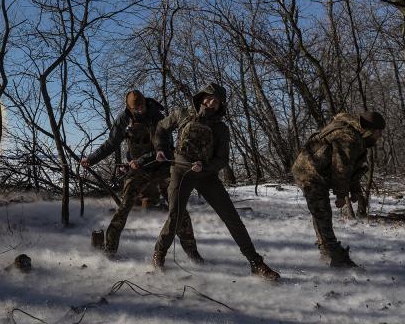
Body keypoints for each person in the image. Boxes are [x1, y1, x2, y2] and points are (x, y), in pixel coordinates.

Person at [152, 83, 280, 281]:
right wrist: (160, 148)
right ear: (202, 96)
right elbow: (160, 127)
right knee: (175, 216)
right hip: (180, 170)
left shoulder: (221, 128)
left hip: (206, 175)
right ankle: (159, 255)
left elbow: (222, 159)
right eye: (210, 97)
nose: (213, 103)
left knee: (231, 217)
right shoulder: (183, 114)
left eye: (217, 101)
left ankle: (256, 263)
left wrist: (205, 168)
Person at [81, 90, 201, 260]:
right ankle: (110, 250)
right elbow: (111, 143)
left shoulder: (157, 117)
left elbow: (163, 148)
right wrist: (91, 159)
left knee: (178, 208)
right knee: (123, 207)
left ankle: (192, 252)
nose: (140, 110)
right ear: (130, 108)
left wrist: (142, 160)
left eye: (142, 107)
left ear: (146, 103)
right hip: (138, 169)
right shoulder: (124, 119)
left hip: (162, 165)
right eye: (135, 109)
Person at [291, 111, 385, 267]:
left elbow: (351, 166)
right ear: (369, 130)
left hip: (316, 171)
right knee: (322, 213)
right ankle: (334, 255)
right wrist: (341, 195)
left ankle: (327, 250)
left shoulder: (353, 134)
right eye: (378, 132)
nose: (380, 135)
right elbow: (341, 168)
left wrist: (355, 190)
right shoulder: (348, 138)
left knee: (320, 213)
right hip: (309, 173)